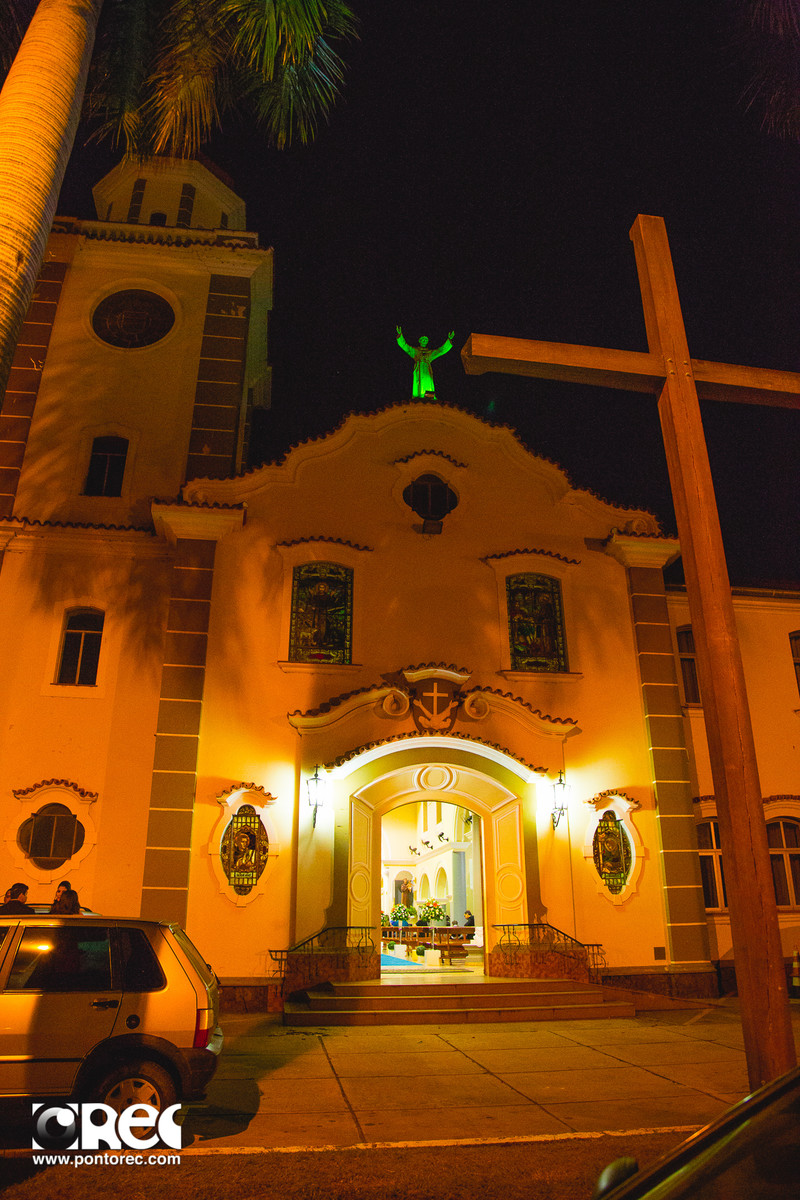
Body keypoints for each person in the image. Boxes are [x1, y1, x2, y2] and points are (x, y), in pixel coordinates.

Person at [396, 326, 455, 397]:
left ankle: (429, 396)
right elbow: (405, 346)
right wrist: (400, 335)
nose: (425, 340)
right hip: (419, 370)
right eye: (423, 339)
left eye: (426, 340)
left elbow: (441, 351)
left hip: (427, 370)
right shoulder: (415, 351)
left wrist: (449, 339)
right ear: (419, 341)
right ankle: (418, 396)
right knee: (419, 383)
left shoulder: (430, 352)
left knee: (428, 382)